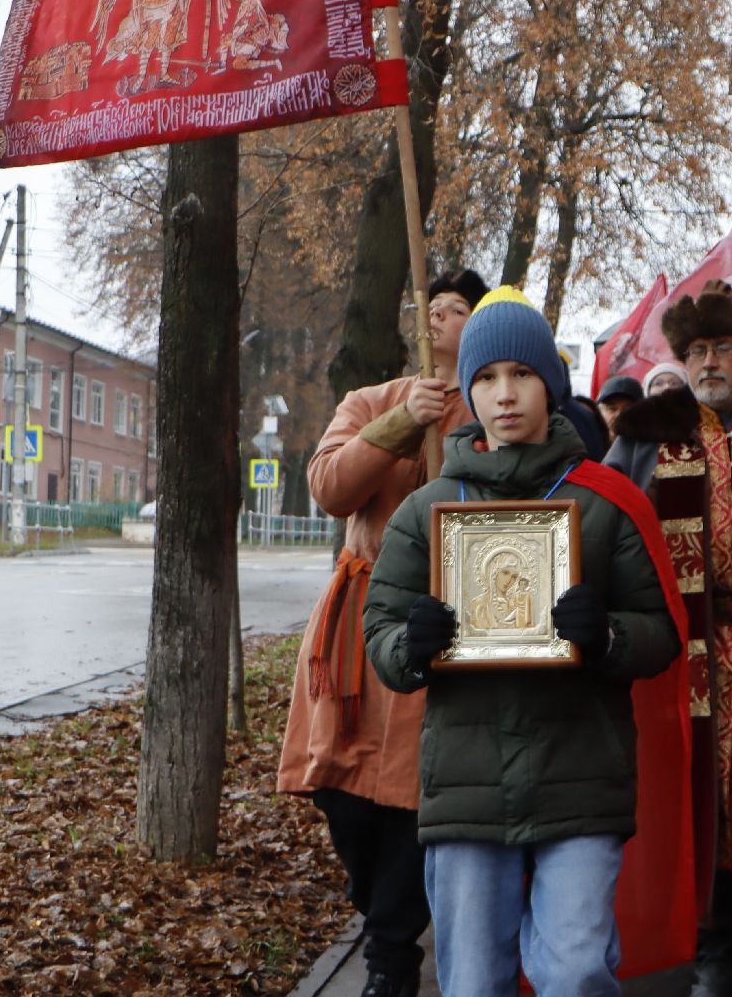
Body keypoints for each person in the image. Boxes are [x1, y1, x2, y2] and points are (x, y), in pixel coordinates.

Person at [363, 287, 685, 996]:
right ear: (468, 392)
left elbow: (661, 633)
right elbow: (380, 631)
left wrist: (604, 635)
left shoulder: (605, 503)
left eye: (521, 374)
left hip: (581, 775)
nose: (504, 394)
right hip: (467, 787)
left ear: (551, 383)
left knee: (574, 973)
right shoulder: (428, 512)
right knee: (474, 982)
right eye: (484, 378)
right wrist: (412, 647)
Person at [276, 269, 487, 997]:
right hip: (359, 625)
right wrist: (402, 423)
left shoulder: (495, 403)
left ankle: (391, 959)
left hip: (442, 624)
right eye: (430, 307)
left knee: (410, 798)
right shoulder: (373, 400)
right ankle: (380, 914)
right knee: (344, 790)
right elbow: (331, 486)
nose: (437, 318)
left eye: (457, 309)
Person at [605, 281, 732, 996]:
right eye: (695, 350)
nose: (708, 363)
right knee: (692, 790)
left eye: (724, 347)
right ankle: (705, 941)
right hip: (680, 649)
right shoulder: (644, 434)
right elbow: (607, 529)